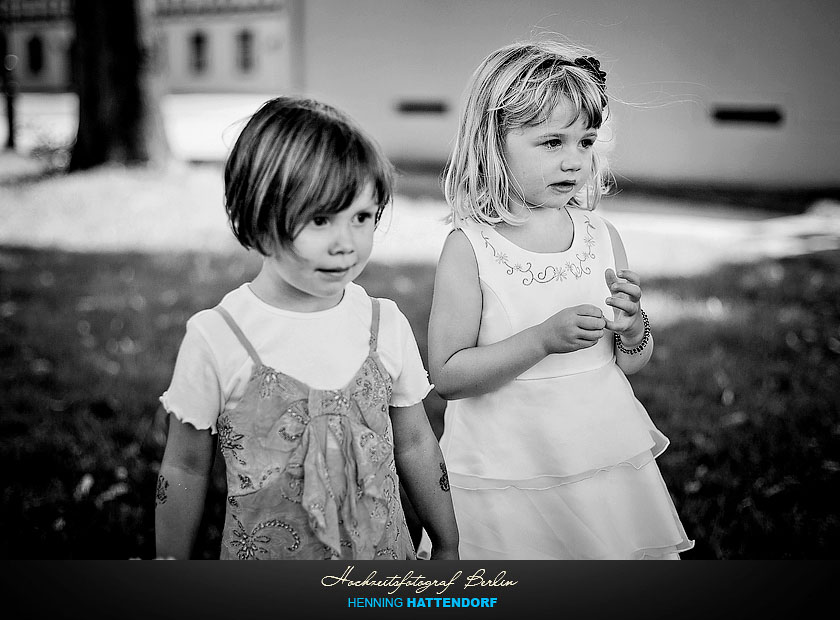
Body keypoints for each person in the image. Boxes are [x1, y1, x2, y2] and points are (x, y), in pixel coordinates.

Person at [155, 96, 459, 560]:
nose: (346, 244)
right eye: (320, 219)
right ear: (259, 214)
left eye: (361, 217)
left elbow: (416, 442)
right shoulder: (219, 338)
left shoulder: (383, 325)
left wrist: (447, 540)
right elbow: (185, 468)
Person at [427, 39, 694, 559]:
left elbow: (631, 364)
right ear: (493, 142)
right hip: (508, 467)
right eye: (552, 143)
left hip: (599, 454)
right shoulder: (472, 247)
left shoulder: (601, 235)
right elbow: (448, 375)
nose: (574, 161)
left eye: (586, 142)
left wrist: (635, 326)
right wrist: (541, 340)